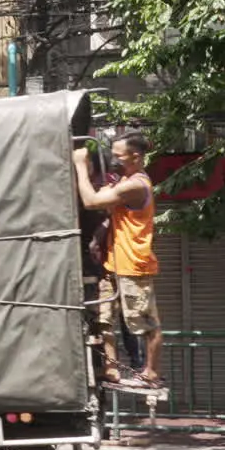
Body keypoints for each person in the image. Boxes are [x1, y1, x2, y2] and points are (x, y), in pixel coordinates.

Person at [72, 131, 163, 388]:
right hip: (115, 261)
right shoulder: (125, 179)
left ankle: (151, 373)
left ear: (136, 156)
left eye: (118, 155)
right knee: (105, 317)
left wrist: (80, 165)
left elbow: (91, 202)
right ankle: (111, 368)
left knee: (144, 323)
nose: (113, 159)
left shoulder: (136, 185)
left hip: (133, 263)